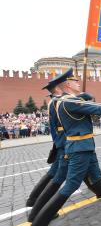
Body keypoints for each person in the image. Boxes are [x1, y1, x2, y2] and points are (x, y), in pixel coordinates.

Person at [23, 68, 101, 226]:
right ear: (66, 84)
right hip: (79, 148)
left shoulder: (67, 100)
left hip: (85, 146)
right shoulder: (67, 102)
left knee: (96, 178)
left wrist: (81, 95)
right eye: (74, 81)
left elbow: (87, 99)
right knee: (69, 186)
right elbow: (97, 108)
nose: (77, 82)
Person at [25, 79, 63, 207]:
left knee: (84, 165)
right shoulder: (57, 102)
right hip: (63, 141)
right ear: (58, 88)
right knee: (54, 173)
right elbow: (57, 126)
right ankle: (35, 200)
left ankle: (100, 187)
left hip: (61, 140)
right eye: (61, 86)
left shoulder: (53, 102)